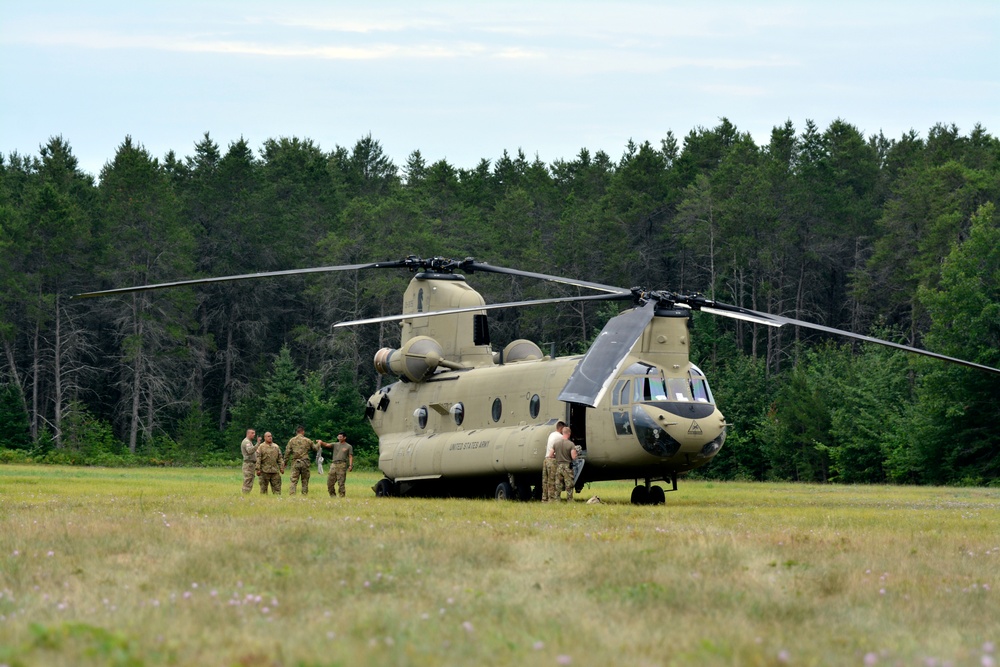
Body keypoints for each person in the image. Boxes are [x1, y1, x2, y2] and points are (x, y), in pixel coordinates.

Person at [284, 426, 320, 495]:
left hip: (295, 462)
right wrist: (319, 443)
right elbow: (315, 448)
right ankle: (304, 494)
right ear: (303, 431)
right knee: (305, 480)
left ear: (296, 432)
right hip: (305, 462)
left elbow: (287, 452)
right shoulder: (307, 440)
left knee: (293, 480)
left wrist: (285, 462)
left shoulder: (291, 440)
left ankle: (292, 494)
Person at [319, 432, 354, 497]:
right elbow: (327, 445)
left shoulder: (348, 446)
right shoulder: (335, 444)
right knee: (330, 482)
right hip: (334, 464)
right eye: (338, 437)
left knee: (341, 482)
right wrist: (321, 442)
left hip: (342, 464)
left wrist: (350, 465)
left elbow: (350, 456)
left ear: (344, 438)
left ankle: (342, 496)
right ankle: (332, 495)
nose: (339, 438)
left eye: (341, 437)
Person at [542, 420, 566, 502]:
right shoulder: (560, 437)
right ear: (561, 428)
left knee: (545, 481)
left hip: (546, 459)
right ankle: (551, 499)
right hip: (552, 460)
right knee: (552, 481)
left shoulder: (551, 434)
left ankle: (544, 498)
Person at [552, 426, 578, 502]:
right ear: (569, 433)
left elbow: (551, 454)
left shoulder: (556, 443)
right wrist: (576, 454)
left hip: (559, 466)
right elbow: (573, 457)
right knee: (569, 484)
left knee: (558, 484)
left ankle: (557, 499)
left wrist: (557, 456)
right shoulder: (571, 444)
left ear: (562, 433)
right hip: (567, 466)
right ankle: (569, 499)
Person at [240, 428, 261, 494]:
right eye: (252, 433)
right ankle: (245, 494)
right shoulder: (247, 442)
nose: (254, 435)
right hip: (248, 464)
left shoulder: (249, 442)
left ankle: (246, 493)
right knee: (248, 479)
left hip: (251, 464)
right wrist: (257, 444)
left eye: (254, 433)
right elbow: (250, 451)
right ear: (248, 433)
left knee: (250, 479)